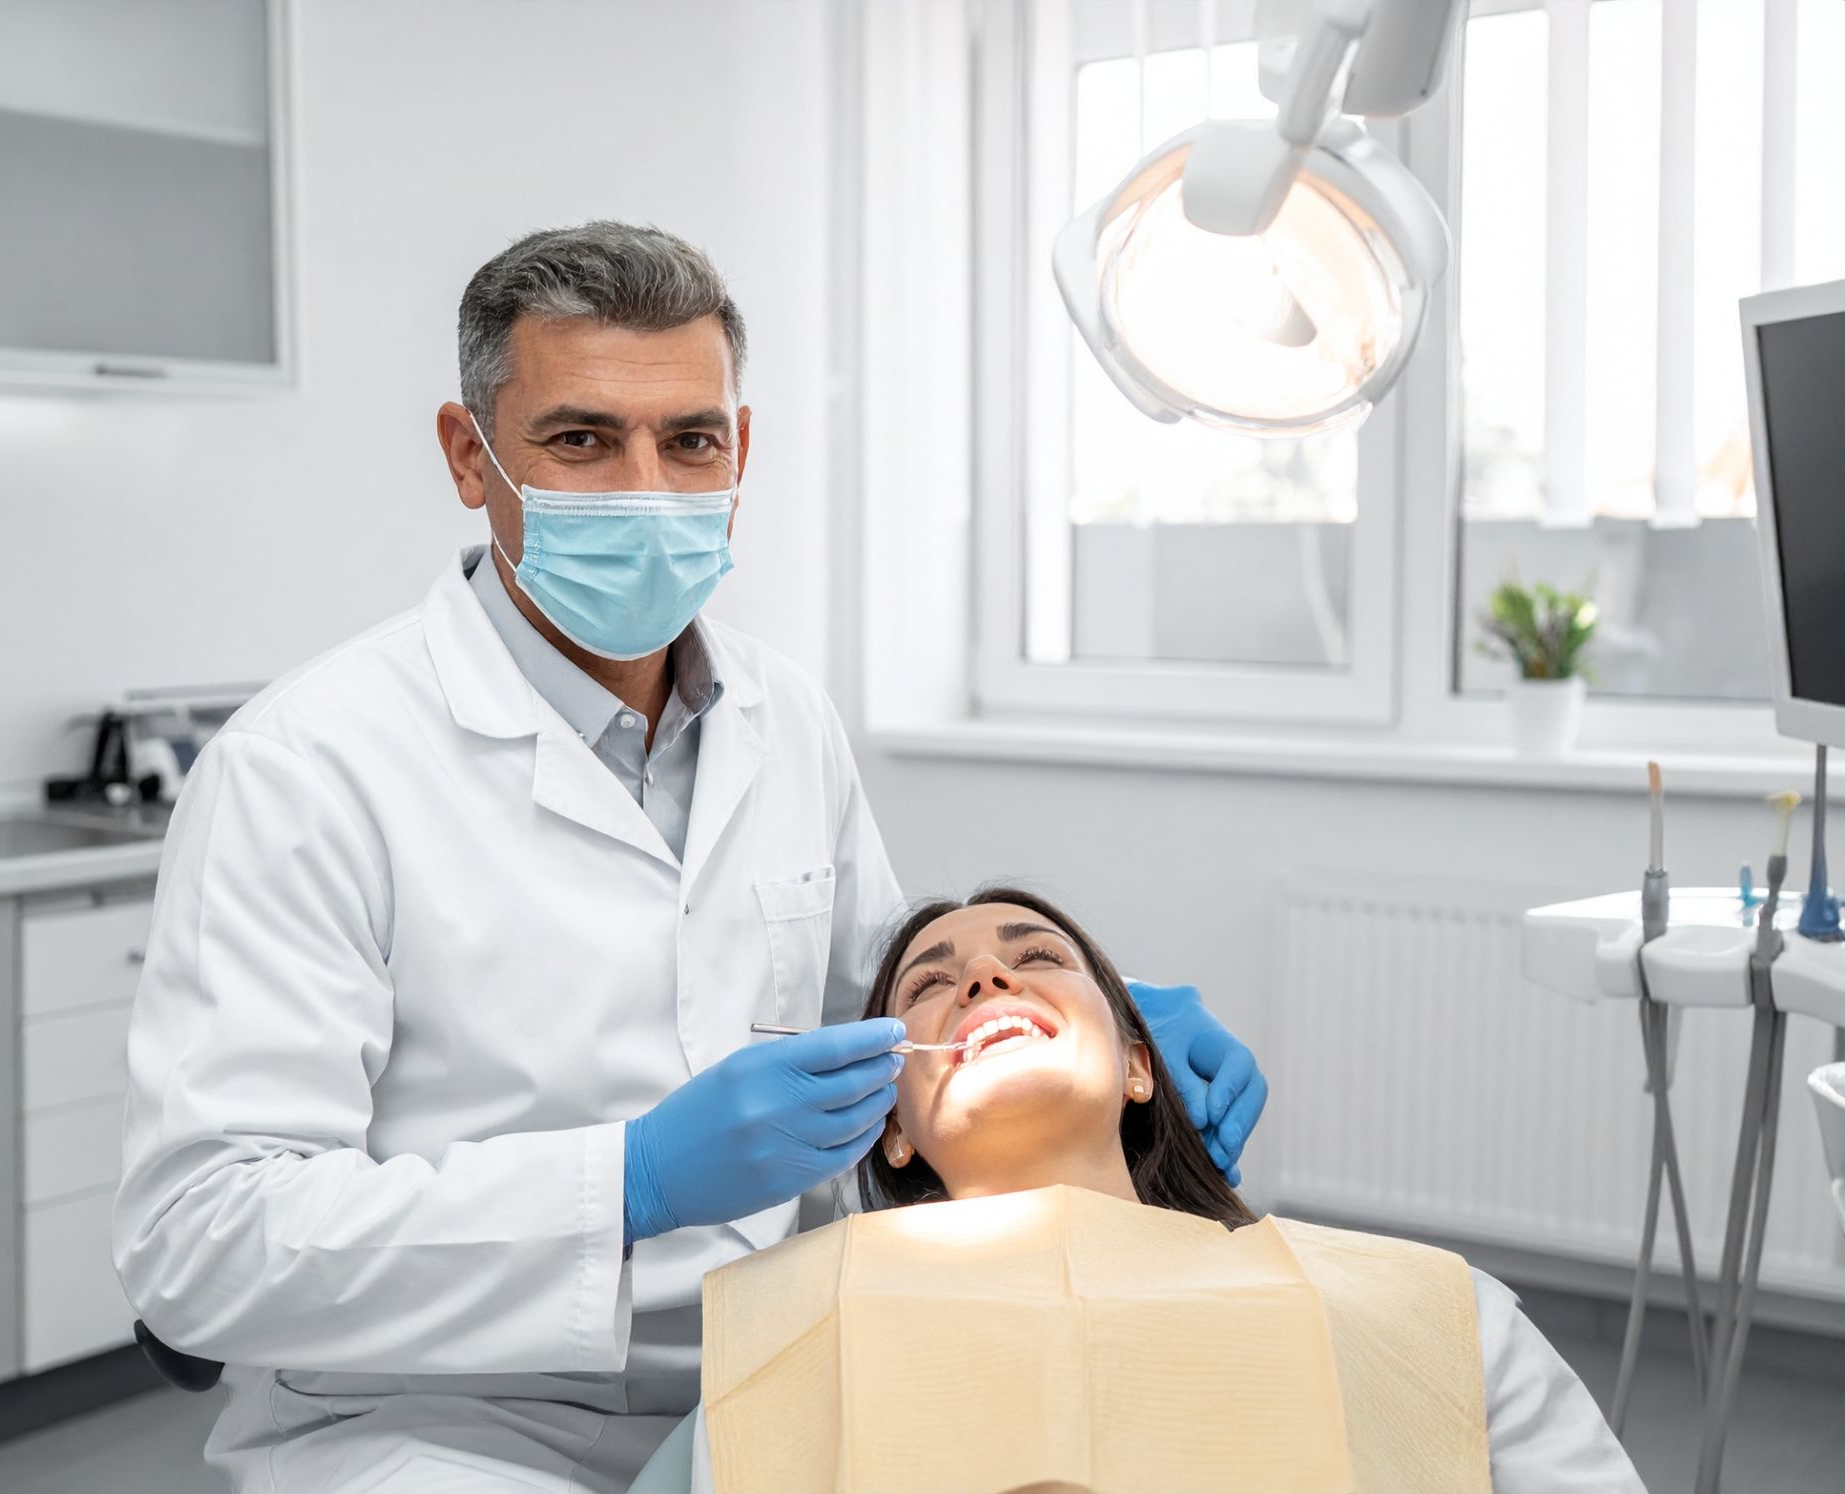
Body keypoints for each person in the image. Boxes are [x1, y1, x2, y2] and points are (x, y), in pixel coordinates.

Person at [112, 223, 1268, 1494]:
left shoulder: (785, 718)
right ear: (468, 454)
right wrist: (628, 1184)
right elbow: (199, 1249)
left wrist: (1092, 1012)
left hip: (777, 1362)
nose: (648, 489)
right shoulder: (304, 768)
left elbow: (884, 1022)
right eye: (581, 440)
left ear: (741, 448)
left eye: (691, 440)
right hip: (435, 1418)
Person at [664, 888, 1645, 1494]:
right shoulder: (783, 1345)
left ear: (1141, 1064)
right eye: (933, 982)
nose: (987, 977)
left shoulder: (1435, 1315)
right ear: (893, 1128)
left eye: (1037, 958)